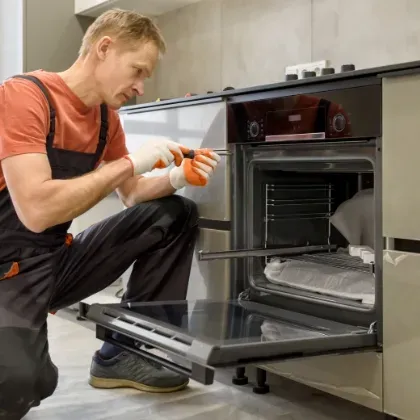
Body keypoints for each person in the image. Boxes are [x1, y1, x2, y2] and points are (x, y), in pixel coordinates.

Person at [0, 8, 221, 419]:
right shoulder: (25, 96)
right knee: (22, 384)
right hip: (5, 271)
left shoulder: (106, 119)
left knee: (173, 214)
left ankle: (123, 354)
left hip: (53, 262)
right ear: (104, 48)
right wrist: (129, 163)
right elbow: (35, 210)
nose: (139, 87)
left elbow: (133, 195)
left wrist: (176, 176)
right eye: (137, 71)